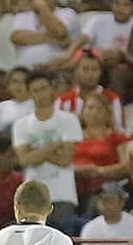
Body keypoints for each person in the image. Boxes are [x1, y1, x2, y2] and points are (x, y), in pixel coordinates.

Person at [12, 69, 83, 236]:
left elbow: (65, 159)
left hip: (63, 193)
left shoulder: (68, 120)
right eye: (36, 90)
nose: (41, 94)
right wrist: (55, 145)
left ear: (52, 89)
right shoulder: (21, 124)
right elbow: (24, 159)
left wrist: (36, 151)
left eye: (44, 88)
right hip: (31, 194)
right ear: (29, 93)